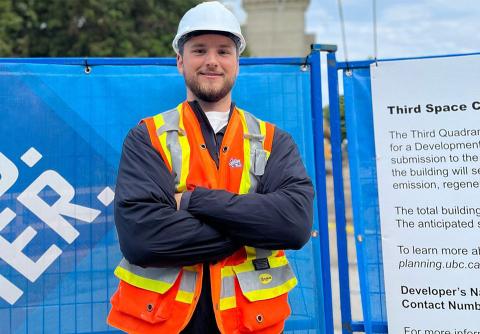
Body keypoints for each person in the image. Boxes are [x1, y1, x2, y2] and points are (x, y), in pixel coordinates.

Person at [107, 2, 314, 333]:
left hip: (248, 324)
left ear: (237, 63)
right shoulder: (148, 137)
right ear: (180, 61)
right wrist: (255, 222)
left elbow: (294, 225)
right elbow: (142, 239)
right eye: (199, 50)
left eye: (223, 51)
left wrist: (191, 202)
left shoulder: (274, 141)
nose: (212, 61)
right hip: (162, 323)